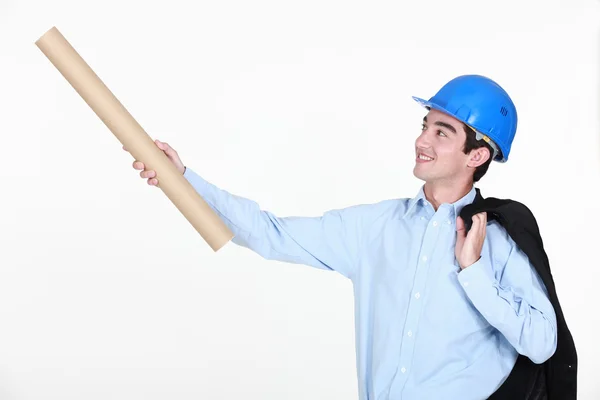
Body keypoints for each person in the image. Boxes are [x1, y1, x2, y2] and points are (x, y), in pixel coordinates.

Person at [124, 75, 558, 400]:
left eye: (441, 132)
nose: (421, 140)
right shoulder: (375, 228)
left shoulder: (500, 238)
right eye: (425, 125)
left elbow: (542, 346)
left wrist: (475, 272)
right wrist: (181, 178)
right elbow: (271, 233)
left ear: (477, 155)